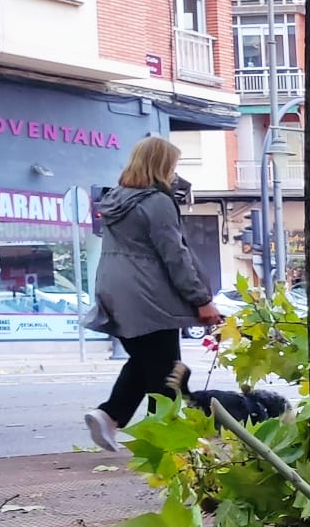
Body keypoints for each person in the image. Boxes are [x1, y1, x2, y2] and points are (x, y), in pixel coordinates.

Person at [81, 136, 221, 451]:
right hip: (148, 293)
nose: (175, 173)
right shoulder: (156, 202)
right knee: (168, 373)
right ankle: (163, 443)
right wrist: (201, 299)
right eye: (173, 166)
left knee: (150, 362)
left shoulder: (116, 200)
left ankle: (109, 416)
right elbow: (175, 254)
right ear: (162, 165)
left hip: (113, 288)